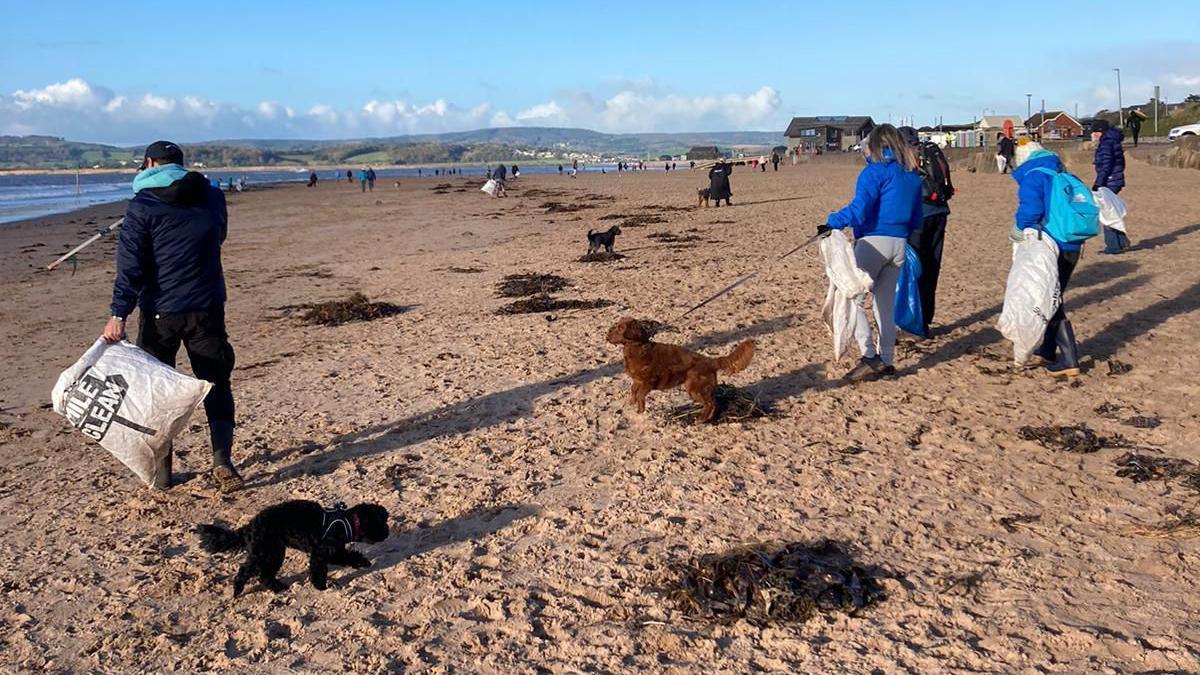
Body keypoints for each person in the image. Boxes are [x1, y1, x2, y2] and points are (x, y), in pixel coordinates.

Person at [103, 141, 243, 492]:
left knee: (156, 391)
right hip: (207, 305)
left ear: (149, 163)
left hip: (160, 311)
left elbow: (130, 267)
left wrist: (119, 313)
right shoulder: (212, 196)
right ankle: (222, 459)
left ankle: (163, 475)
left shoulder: (142, 205)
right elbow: (218, 236)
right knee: (215, 380)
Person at [820, 124, 923, 382]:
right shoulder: (911, 175)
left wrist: (832, 221)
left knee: (852, 298)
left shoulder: (874, 173)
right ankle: (887, 360)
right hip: (899, 245)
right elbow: (917, 218)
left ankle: (869, 355)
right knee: (885, 307)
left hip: (873, 243)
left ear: (874, 146)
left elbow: (859, 210)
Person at [1011, 140, 1083, 377]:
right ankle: (1048, 350)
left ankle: (1070, 359)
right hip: (1073, 240)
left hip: (1052, 242)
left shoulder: (1034, 175)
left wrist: (1019, 229)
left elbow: (1031, 210)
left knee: (1050, 297)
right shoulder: (1061, 170)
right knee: (1055, 293)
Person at [899, 127, 954, 336]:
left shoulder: (904, 159)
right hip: (939, 212)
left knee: (915, 269)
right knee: (932, 266)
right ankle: (926, 319)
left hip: (919, 216)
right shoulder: (929, 152)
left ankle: (916, 324)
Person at [1091, 119, 1128, 254]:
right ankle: (1122, 241)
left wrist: (1099, 183)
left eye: (1095, 132)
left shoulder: (1107, 142)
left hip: (1110, 180)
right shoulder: (1112, 140)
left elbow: (1107, 164)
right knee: (1112, 210)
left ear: (1100, 131)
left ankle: (1113, 246)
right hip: (1114, 179)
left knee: (1107, 212)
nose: (1094, 135)